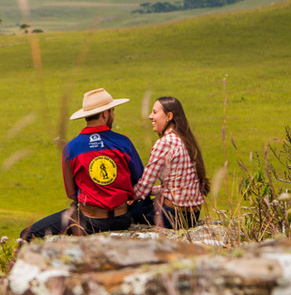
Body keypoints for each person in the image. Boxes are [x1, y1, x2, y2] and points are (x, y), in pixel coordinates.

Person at [20, 88, 144, 241]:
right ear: (105, 114)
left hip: (91, 222)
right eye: (113, 111)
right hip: (122, 219)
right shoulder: (123, 142)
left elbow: (71, 193)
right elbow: (139, 178)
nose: (113, 115)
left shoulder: (72, 148)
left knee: (27, 234)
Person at [131, 96, 211, 229]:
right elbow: (177, 185)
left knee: (131, 211)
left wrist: (128, 196)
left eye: (155, 112)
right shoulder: (186, 139)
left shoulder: (165, 142)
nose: (150, 116)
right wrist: (152, 191)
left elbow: (144, 186)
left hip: (171, 214)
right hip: (193, 214)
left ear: (169, 116)